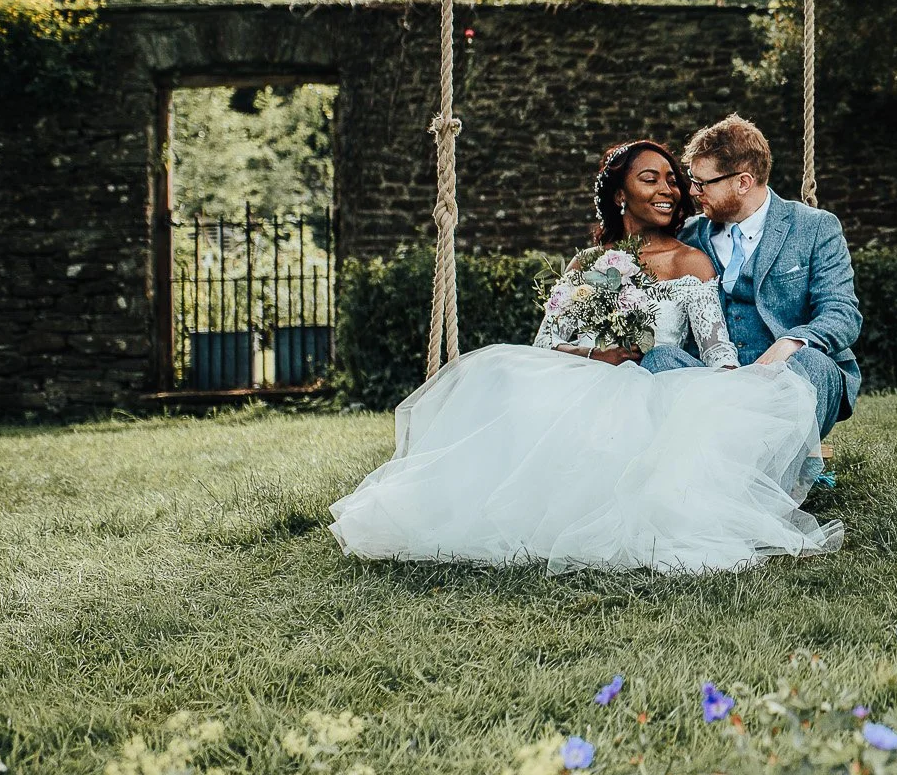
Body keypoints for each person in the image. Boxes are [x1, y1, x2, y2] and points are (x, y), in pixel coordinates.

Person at [327, 140, 842, 574]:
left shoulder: (691, 259)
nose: (671, 189)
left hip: (653, 382)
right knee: (502, 371)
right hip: (585, 379)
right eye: (652, 179)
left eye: (673, 180)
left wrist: (726, 383)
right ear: (621, 194)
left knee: (655, 372)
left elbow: (717, 352)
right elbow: (545, 344)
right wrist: (601, 354)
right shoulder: (588, 264)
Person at [639, 116, 862, 442]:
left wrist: (790, 343)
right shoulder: (687, 238)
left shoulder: (815, 228)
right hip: (712, 389)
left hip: (785, 384)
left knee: (814, 362)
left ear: (743, 182)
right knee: (659, 360)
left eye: (703, 183)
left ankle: (759, 462)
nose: (692, 191)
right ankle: (721, 452)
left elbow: (842, 314)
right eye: (692, 179)